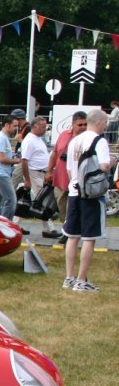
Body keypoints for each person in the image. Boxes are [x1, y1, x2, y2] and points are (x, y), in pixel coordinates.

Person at [62, 109, 113, 292]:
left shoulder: (74, 141)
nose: (106, 125)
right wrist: (112, 163)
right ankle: (81, 281)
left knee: (72, 237)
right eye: (106, 122)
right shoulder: (100, 141)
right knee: (89, 238)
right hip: (91, 195)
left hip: (74, 191)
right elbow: (104, 166)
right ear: (99, 122)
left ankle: (69, 277)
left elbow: (69, 170)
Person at [18, 116, 59, 238]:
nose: (45, 129)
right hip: (35, 173)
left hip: (40, 173)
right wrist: (28, 179)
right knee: (41, 201)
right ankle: (49, 229)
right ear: (35, 127)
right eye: (43, 127)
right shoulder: (30, 141)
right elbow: (24, 160)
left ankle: (15, 224)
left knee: (32, 200)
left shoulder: (38, 139)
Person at [47, 111, 86, 226]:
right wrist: (49, 171)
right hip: (61, 178)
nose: (83, 127)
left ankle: (71, 231)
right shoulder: (64, 135)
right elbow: (54, 153)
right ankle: (66, 227)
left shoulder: (88, 138)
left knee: (74, 207)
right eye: (80, 125)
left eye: (85, 124)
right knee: (61, 205)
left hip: (78, 179)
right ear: (73, 124)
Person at [0, 116, 20, 219]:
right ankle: (6, 225)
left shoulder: (4, 138)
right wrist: (17, 160)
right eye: (14, 126)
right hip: (0, 173)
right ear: (7, 125)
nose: (16, 128)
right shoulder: (1, 138)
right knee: (11, 200)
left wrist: (12, 157)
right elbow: (1, 158)